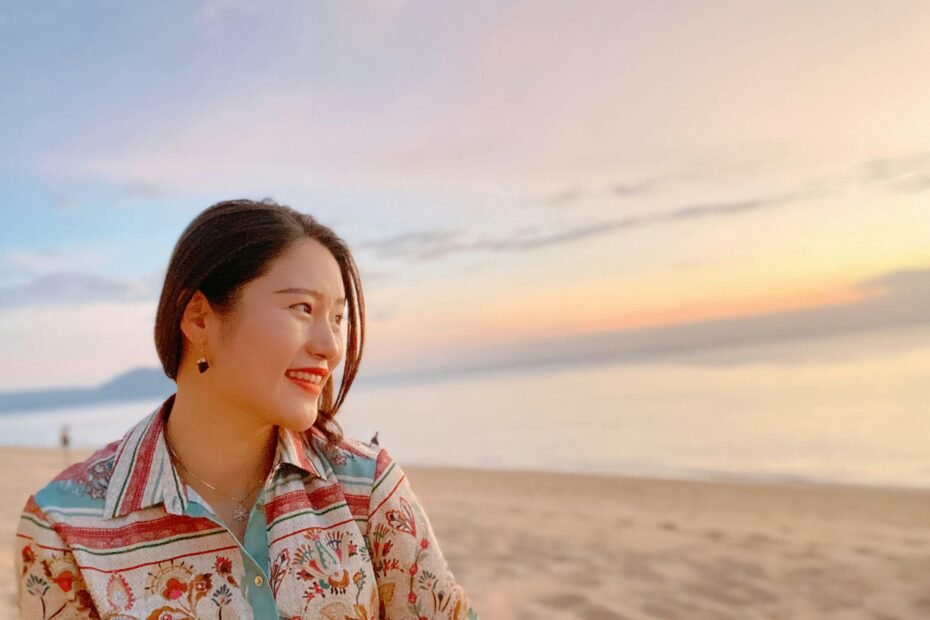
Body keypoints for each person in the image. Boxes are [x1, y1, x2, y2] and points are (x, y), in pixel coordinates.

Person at [14, 199, 477, 619]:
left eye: (337, 317)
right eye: (302, 308)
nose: (331, 346)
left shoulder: (367, 489)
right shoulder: (65, 528)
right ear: (199, 317)